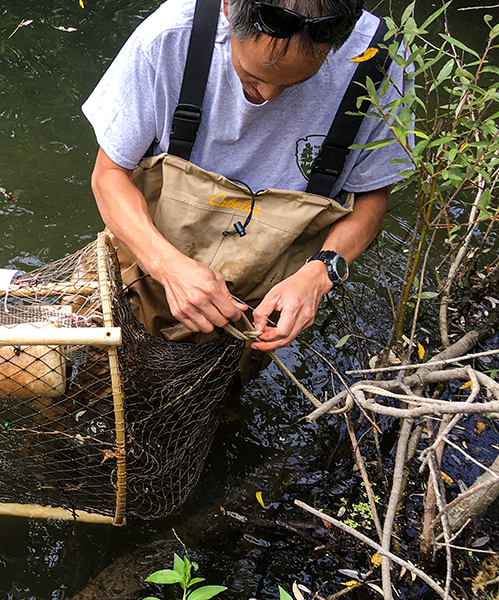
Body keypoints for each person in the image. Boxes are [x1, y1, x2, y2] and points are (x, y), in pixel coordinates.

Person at [82, 0, 409, 353]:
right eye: (251, 77)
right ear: (227, 9)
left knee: (211, 401)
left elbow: (371, 198)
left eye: (294, 84)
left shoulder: (380, 62)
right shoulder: (170, 37)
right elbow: (109, 174)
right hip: (138, 266)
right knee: (70, 373)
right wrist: (167, 265)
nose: (267, 96)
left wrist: (319, 274)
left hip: (251, 314)